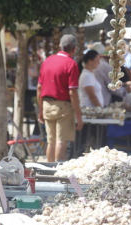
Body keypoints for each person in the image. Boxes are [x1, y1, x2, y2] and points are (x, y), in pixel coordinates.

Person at [37, 34, 83, 162]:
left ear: (59, 46)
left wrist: (40, 109)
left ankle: (48, 172)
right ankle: (58, 173)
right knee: (61, 141)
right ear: (74, 49)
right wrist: (78, 115)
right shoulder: (71, 64)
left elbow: (39, 88)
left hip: (47, 104)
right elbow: (72, 92)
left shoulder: (47, 61)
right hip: (64, 106)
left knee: (51, 141)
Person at [91, 42, 131, 106]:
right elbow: (113, 87)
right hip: (103, 101)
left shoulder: (100, 64)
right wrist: (126, 91)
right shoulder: (106, 66)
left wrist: (123, 84)